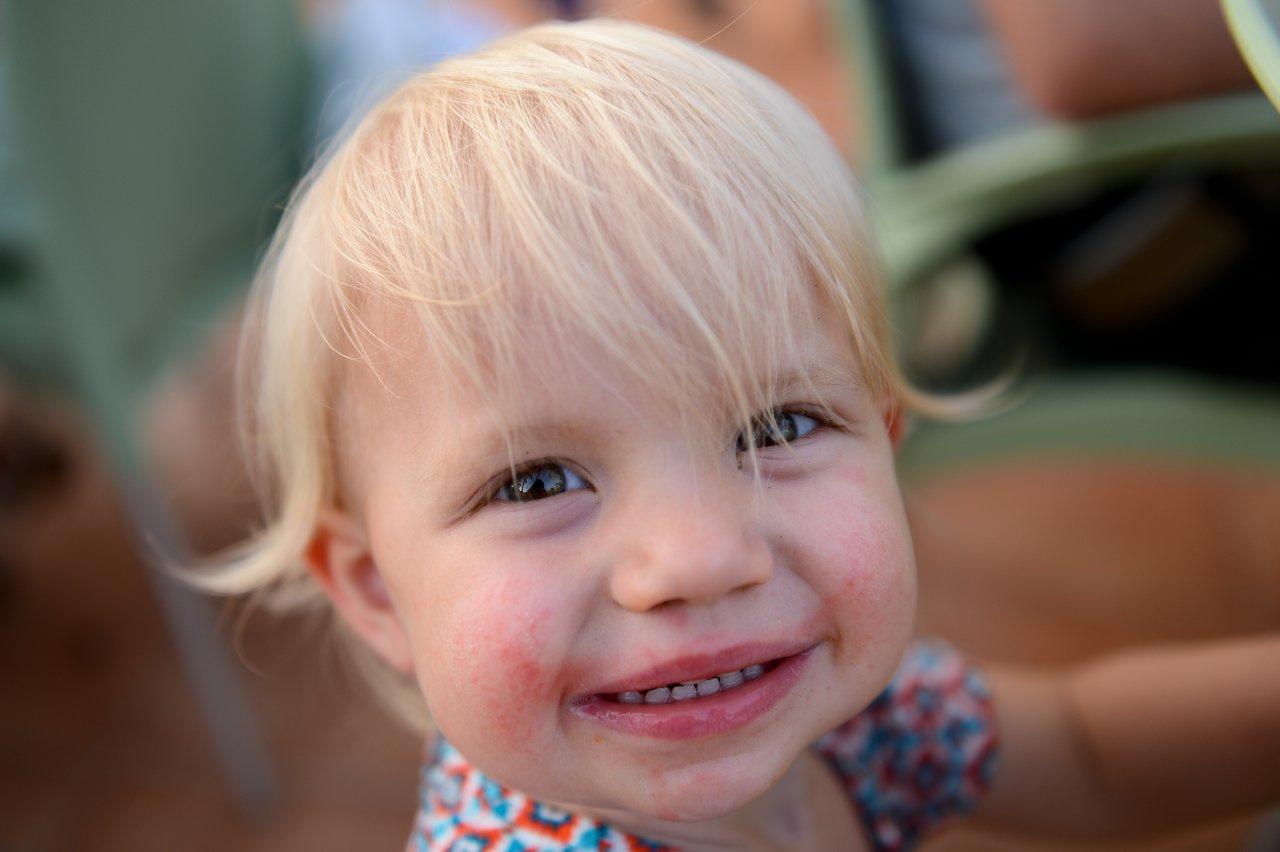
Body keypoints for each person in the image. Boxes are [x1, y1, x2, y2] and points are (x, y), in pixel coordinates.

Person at [193, 20, 1279, 851]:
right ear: (377, 587)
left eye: (781, 426)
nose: (701, 558)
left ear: (882, 445)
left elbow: (1084, 755)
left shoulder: (824, 701)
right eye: (535, 483)